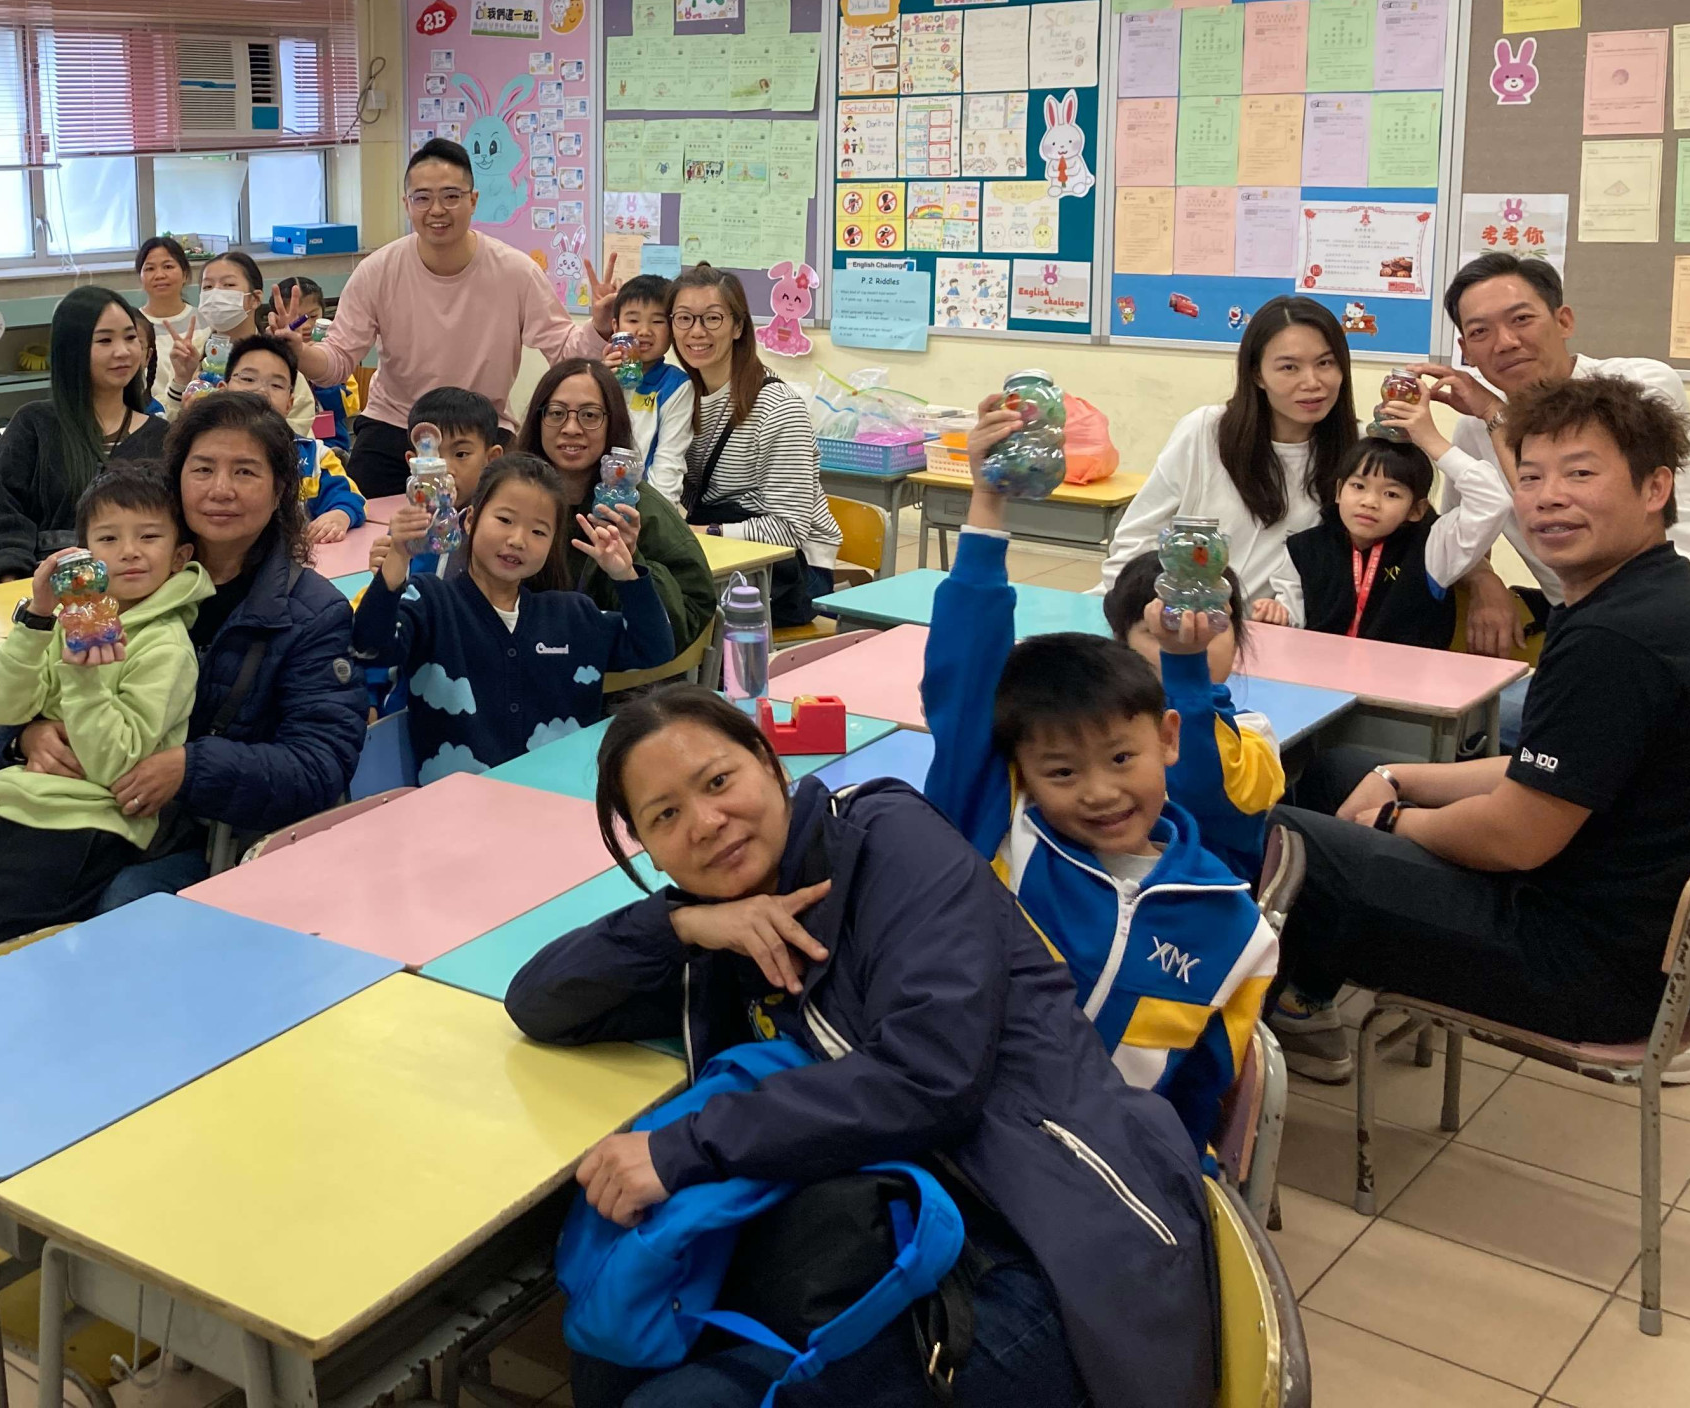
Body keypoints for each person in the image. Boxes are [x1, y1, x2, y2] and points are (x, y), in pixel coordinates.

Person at [507, 688, 1216, 1408]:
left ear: (769, 762)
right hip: (882, 1229)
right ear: (649, 849)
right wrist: (682, 927)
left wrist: (681, 1149)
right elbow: (539, 1002)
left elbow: (929, 1078)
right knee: (607, 1354)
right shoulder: (729, 924)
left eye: (718, 781)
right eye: (665, 816)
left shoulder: (888, 841)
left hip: (1041, 1249)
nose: (706, 823)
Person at [1271, 375, 1690, 1084]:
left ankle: (1240, 1053)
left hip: (1583, 967)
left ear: (1656, 488)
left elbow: (1515, 837)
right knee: (1338, 771)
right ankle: (1302, 997)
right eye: (1530, 477)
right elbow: (1546, 768)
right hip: (1628, 932)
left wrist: (1395, 820)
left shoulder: (1618, 639)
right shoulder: (1653, 596)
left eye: (1580, 474)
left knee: (1278, 838)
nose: (1547, 497)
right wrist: (1396, 777)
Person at [922, 394, 1278, 1146]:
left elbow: (1201, 1105)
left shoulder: (1231, 928)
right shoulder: (1000, 829)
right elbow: (965, 679)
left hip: (1102, 1166)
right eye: (1060, 772)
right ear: (1021, 772)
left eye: (1121, 759)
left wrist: (1186, 669)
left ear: (1167, 736)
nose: (1100, 792)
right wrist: (987, 504)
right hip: (951, 1128)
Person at [0, 394, 366, 909]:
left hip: (215, 834)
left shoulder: (311, 612)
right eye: (203, 469)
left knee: (121, 902)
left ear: (280, 488)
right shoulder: (115, 580)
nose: (220, 489)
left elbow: (321, 764)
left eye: (245, 472)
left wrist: (192, 767)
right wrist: (23, 737)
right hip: (92, 809)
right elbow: (16, 690)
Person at [1422, 252, 1690, 673]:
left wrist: (1494, 414)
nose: (1504, 342)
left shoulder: (1634, 387)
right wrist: (1485, 583)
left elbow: (1553, 498)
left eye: (1521, 319)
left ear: (1563, 321)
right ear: (1465, 351)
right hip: (1598, 629)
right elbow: (1462, 537)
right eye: (1480, 331)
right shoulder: (1474, 430)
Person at [273, 138, 619, 494]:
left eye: (451, 196)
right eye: (422, 198)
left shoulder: (517, 272)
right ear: (407, 204)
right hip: (395, 426)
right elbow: (338, 360)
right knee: (362, 515)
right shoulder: (377, 270)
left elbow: (564, 353)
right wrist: (301, 354)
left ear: (473, 200)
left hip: (482, 431)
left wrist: (598, 326)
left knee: (499, 519)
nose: (437, 210)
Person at [0, 463, 215, 946]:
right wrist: (37, 620)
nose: (130, 551)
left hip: (88, 827)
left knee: (0, 952)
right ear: (83, 556)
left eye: (149, 536)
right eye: (109, 539)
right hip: (14, 807)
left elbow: (112, 764)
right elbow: (2, 708)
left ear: (180, 555)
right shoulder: (68, 619)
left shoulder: (166, 646)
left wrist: (82, 676)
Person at [351, 454, 672, 777]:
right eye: (505, 520)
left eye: (538, 532)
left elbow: (654, 648)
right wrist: (398, 558)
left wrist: (625, 575)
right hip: (457, 803)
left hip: (559, 796)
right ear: (470, 520)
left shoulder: (573, 615)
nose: (518, 540)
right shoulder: (431, 602)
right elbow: (370, 645)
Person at [1099, 294, 1359, 610]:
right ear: (1257, 374)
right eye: (1289, 367)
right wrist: (1138, 614)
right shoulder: (1205, 430)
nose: (1312, 382)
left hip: (1268, 628)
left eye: (1325, 363)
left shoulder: (1357, 450)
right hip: (1167, 613)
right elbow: (1137, 538)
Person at [1278, 377, 1511, 648]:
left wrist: (1431, 441)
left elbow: (1494, 500)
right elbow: (1292, 620)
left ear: (1416, 510)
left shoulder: (1433, 549)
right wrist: (1277, 616)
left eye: (1391, 494)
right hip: (1321, 673)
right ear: (1339, 491)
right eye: (1358, 486)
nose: (1370, 502)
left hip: (1407, 675)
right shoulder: (1304, 548)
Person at [667, 264, 839, 626]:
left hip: (793, 570)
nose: (696, 331)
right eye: (684, 318)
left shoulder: (778, 409)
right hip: (718, 552)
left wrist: (698, 534)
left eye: (712, 318)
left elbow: (788, 530)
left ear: (738, 327)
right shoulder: (679, 397)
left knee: (674, 618)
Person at [1098, 550, 1282, 884]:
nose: (1191, 638)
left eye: (1214, 625)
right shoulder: (1099, 727)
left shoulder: (1253, 736)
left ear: (1238, 639)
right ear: (1122, 644)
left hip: (1196, 900)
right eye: (1163, 629)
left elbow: (1198, 791)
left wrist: (1185, 665)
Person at [515, 357, 715, 654]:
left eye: (590, 415)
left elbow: (691, 612)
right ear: (537, 420)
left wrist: (633, 563)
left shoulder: (640, 507)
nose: (571, 428)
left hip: (616, 671)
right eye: (556, 413)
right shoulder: (512, 495)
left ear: (613, 423)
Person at [0, 287, 166, 584]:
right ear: (72, 349)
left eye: (130, 337)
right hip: (46, 589)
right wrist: (17, 590)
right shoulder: (33, 424)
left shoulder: (161, 436)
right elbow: (4, 519)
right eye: (104, 340)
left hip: (138, 590)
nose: (122, 351)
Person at [216, 335, 361, 544]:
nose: (261, 391)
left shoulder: (314, 457)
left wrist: (340, 514)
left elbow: (350, 497)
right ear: (222, 390)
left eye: (276, 385)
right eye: (248, 379)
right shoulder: (200, 452)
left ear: (289, 404)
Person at [166, 250, 315, 431]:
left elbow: (300, 429)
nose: (216, 294)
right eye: (208, 287)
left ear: (255, 298)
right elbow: (169, 428)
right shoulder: (190, 353)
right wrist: (182, 380)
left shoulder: (277, 357)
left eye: (228, 284)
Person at [607, 273, 693, 506]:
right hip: (597, 497)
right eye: (633, 320)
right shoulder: (601, 377)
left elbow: (669, 462)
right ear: (615, 327)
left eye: (657, 321)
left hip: (644, 505)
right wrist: (602, 383)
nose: (644, 331)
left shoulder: (676, 386)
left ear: (672, 329)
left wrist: (657, 516)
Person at [276, 274, 359, 451]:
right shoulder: (273, 357)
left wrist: (318, 371)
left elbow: (349, 406)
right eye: (297, 318)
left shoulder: (333, 355)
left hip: (332, 445)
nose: (306, 325)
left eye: (313, 316)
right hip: (288, 443)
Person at [403, 384, 505, 507]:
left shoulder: (503, 512)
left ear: (492, 459)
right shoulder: (411, 514)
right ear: (413, 464)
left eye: (461, 454)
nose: (446, 470)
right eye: (432, 458)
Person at [135, 235, 198, 395]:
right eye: (150, 269)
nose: (159, 275)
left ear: (185, 274)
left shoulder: (206, 321)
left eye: (168, 266)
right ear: (140, 277)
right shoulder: (132, 325)